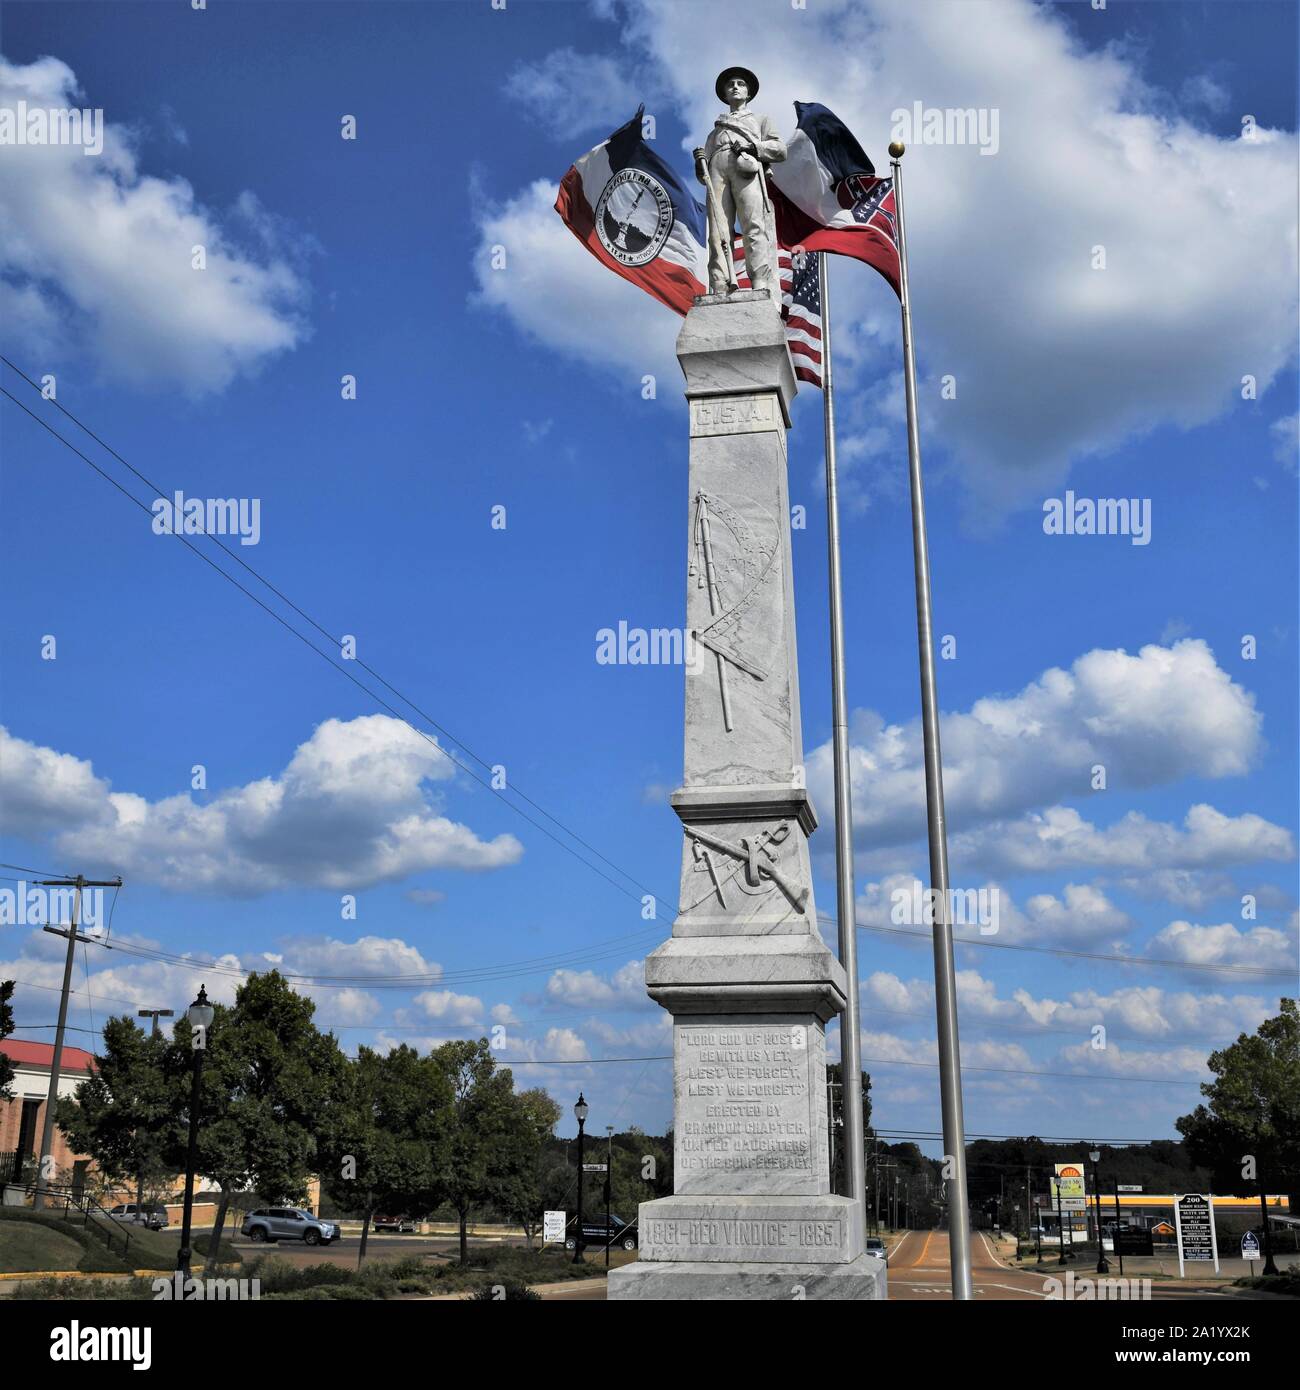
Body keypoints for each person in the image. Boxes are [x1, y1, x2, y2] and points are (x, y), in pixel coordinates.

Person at [693, 66, 787, 297]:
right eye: (730, 84)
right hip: (717, 170)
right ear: (725, 94)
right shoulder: (713, 133)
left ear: (749, 93)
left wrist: (753, 147)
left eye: (740, 84)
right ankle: (719, 284)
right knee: (717, 231)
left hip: (746, 168)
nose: (735, 87)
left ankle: (759, 282)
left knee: (752, 225)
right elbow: (701, 176)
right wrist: (699, 163)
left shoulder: (760, 120)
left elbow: (780, 149)